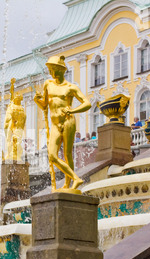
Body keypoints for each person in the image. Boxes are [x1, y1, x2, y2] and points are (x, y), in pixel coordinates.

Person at [34, 55, 92, 193]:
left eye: (52, 69)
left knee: (67, 154)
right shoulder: (48, 84)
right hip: (55, 124)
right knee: (52, 156)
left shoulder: (71, 87)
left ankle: (68, 184)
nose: (50, 72)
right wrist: (37, 100)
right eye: (49, 69)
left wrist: (73, 110)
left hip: (68, 121)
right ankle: (75, 178)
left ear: (60, 70)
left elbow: (87, 103)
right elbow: (44, 105)